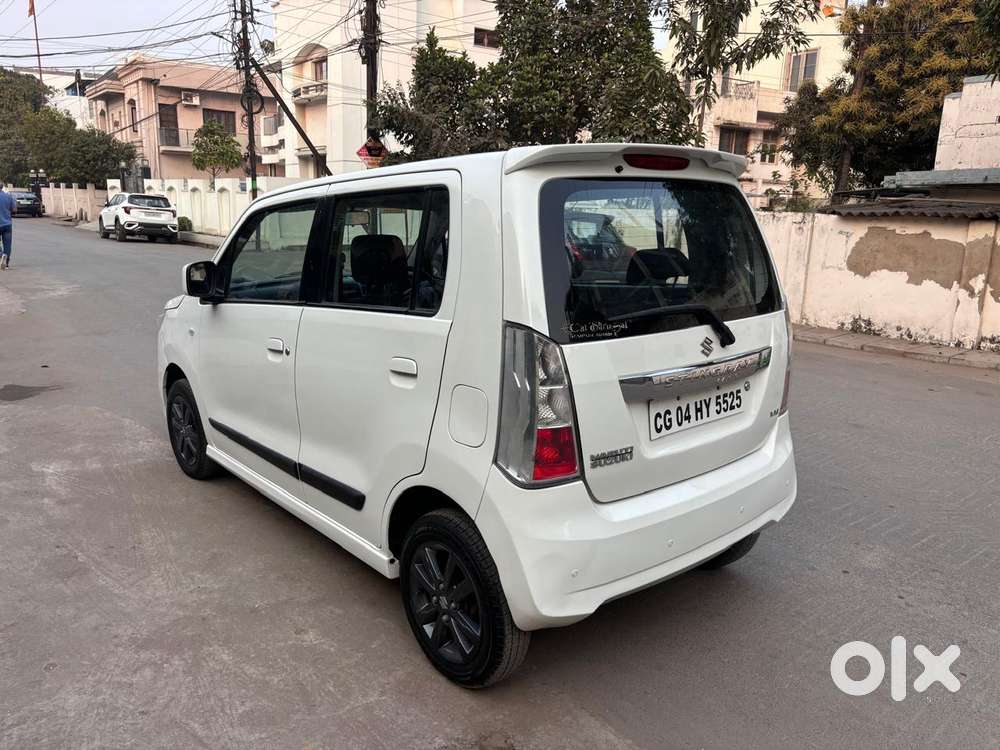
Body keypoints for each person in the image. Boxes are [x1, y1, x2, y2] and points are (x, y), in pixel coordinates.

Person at [0, 186, 15, 270]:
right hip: (7, 224)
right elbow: (14, 209)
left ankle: (1, 255)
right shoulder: (8, 196)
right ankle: (6, 264)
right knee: (7, 244)